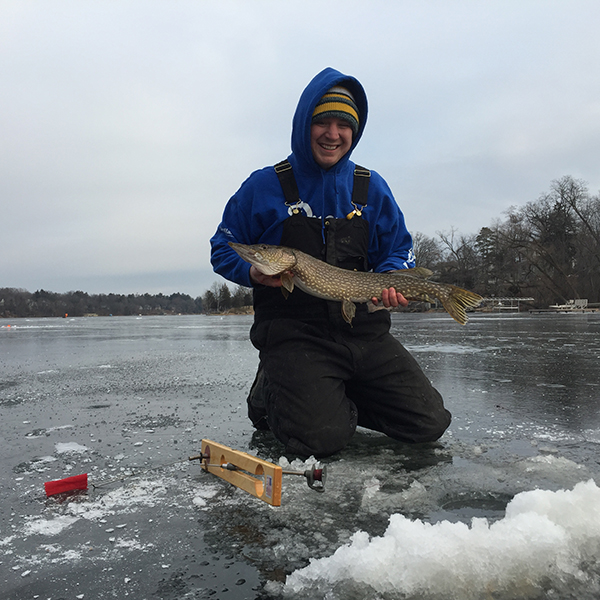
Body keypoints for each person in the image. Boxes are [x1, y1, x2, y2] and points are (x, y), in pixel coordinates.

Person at [210, 67, 451, 457]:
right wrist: (253, 270)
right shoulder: (263, 186)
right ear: (304, 123)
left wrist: (390, 279)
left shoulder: (370, 186)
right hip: (295, 335)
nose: (333, 134)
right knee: (321, 438)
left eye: (344, 124)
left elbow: (398, 248)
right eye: (322, 121)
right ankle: (273, 390)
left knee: (428, 423)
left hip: (364, 334)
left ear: (355, 132)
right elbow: (223, 247)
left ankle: (330, 389)